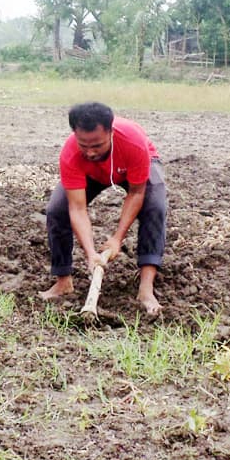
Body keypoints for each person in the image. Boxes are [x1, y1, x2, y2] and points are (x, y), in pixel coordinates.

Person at [39, 102, 167, 316]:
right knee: (57, 209)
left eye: (97, 145)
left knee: (155, 206)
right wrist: (90, 253)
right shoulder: (71, 154)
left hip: (133, 167)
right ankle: (63, 281)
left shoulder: (133, 143)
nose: (90, 152)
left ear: (111, 131)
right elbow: (77, 209)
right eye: (84, 144)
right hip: (92, 173)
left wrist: (117, 238)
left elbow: (136, 193)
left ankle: (146, 289)